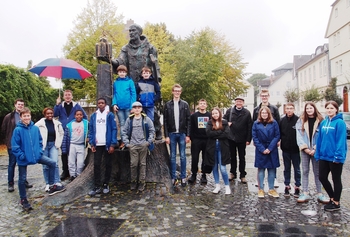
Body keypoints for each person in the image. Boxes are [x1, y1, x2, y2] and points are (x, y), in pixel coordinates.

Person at [107, 23, 162, 140]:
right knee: (134, 111)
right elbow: (120, 61)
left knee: (150, 108)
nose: (131, 33)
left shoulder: (150, 47)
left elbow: (156, 65)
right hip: (132, 83)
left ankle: (156, 130)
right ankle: (132, 136)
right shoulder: (125, 48)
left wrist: (157, 79)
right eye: (130, 31)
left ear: (139, 33)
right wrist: (110, 60)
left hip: (146, 81)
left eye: (133, 31)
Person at [11, 108, 63, 211]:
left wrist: (39, 152)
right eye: (24, 116)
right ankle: (23, 199)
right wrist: (21, 156)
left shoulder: (35, 128)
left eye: (28, 115)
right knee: (22, 179)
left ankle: (52, 185)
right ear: (21, 117)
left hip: (36, 155)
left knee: (52, 163)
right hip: (24, 158)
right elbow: (15, 146)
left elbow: (40, 141)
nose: (27, 118)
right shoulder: (18, 130)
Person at [315, 101, 347, 211]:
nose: (329, 110)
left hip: (335, 157)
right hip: (324, 156)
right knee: (322, 177)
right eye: (327, 108)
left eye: (331, 108)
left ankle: (336, 202)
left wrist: (338, 156)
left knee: (336, 179)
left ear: (336, 110)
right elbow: (319, 139)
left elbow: (341, 140)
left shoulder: (340, 123)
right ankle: (332, 197)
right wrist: (317, 153)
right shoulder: (324, 123)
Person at [295, 102, 328, 203]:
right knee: (305, 171)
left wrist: (315, 148)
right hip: (305, 150)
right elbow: (298, 135)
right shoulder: (301, 120)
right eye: (307, 108)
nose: (309, 110)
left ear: (314, 109)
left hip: (316, 151)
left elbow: (323, 136)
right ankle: (305, 192)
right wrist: (305, 148)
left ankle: (320, 193)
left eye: (311, 108)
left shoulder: (321, 120)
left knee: (317, 172)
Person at [122, 101, 155, 191]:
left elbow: (152, 130)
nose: (137, 109)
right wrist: (127, 143)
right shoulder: (129, 119)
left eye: (138, 107)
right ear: (132, 109)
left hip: (143, 145)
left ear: (141, 109)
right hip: (133, 145)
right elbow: (124, 131)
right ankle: (133, 181)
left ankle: (141, 182)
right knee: (133, 164)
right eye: (135, 107)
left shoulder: (146, 119)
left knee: (142, 164)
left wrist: (148, 142)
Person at [54, 90, 87, 180]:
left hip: (74, 133)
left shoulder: (76, 106)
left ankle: (76, 171)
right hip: (63, 132)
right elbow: (55, 114)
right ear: (63, 96)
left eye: (69, 95)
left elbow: (84, 116)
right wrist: (57, 104)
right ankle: (65, 171)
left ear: (72, 96)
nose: (67, 96)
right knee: (64, 152)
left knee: (74, 153)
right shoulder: (60, 106)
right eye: (66, 95)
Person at [1, 98, 32, 192]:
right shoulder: (9, 117)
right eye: (19, 104)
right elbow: (4, 129)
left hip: (23, 144)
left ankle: (24, 181)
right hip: (12, 145)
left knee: (23, 163)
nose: (20, 106)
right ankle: (10, 183)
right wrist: (8, 141)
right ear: (15, 105)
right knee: (12, 164)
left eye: (22, 104)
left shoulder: (26, 116)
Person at [88, 98, 117, 196]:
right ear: (97, 104)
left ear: (105, 104)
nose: (100, 104)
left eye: (102, 103)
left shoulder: (109, 115)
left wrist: (112, 144)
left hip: (107, 144)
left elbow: (114, 129)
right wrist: (92, 143)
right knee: (96, 164)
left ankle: (106, 184)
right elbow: (91, 130)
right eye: (99, 103)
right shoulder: (93, 116)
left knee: (108, 164)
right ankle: (97, 186)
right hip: (97, 144)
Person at [163, 84, 191, 187]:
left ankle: (183, 177)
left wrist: (188, 135)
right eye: (175, 91)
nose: (177, 92)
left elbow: (188, 120)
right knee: (173, 156)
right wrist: (166, 135)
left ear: (181, 92)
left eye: (179, 91)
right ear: (172, 92)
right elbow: (165, 121)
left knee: (183, 156)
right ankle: (173, 177)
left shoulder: (185, 104)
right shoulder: (167, 105)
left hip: (182, 133)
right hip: (172, 134)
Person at [253, 89, 280, 188]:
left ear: (268, 96)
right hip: (261, 140)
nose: (264, 97)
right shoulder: (256, 109)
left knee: (272, 164)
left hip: (272, 138)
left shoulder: (274, 108)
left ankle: (273, 181)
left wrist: (278, 140)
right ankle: (260, 183)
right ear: (260, 97)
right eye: (262, 96)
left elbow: (278, 124)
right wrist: (255, 141)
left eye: (266, 96)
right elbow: (254, 124)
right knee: (261, 165)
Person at [223, 97, 252, 184]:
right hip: (231, 137)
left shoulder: (247, 113)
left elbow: (249, 126)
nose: (239, 103)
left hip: (242, 138)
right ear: (235, 102)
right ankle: (232, 173)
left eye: (240, 102)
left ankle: (242, 175)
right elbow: (223, 120)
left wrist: (248, 139)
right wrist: (227, 123)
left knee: (242, 157)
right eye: (237, 101)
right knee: (232, 157)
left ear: (243, 103)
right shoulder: (230, 111)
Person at [35, 108, 65, 192]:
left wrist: (58, 142)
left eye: (51, 113)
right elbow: (35, 135)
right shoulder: (39, 124)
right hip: (43, 146)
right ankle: (48, 183)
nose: (50, 115)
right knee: (45, 165)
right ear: (44, 114)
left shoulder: (57, 123)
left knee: (54, 163)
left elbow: (61, 133)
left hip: (53, 145)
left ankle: (57, 182)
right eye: (48, 113)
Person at [205, 107, 231, 195]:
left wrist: (215, 134)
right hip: (212, 148)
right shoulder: (209, 123)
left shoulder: (224, 122)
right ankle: (217, 186)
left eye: (216, 113)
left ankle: (227, 186)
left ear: (219, 113)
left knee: (223, 168)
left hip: (222, 148)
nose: (215, 115)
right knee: (214, 167)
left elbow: (227, 134)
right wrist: (220, 132)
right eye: (213, 114)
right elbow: (208, 133)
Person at [279, 103, 301, 197]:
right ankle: (287, 185)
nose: (289, 110)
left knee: (297, 169)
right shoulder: (282, 120)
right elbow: (279, 134)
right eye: (287, 108)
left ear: (294, 109)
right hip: (286, 149)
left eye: (291, 108)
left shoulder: (298, 120)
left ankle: (297, 186)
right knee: (286, 168)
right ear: (285, 110)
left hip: (296, 149)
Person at [112, 65, 136, 148]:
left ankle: (130, 140)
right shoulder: (116, 82)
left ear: (126, 73)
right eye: (120, 72)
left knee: (129, 124)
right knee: (122, 124)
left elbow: (133, 94)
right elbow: (114, 94)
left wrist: (132, 106)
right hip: (119, 107)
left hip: (128, 107)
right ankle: (123, 141)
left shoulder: (130, 81)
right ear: (118, 73)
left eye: (123, 72)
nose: (122, 73)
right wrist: (114, 104)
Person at [62, 110, 89, 182]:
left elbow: (89, 132)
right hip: (72, 144)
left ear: (83, 116)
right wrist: (64, 148)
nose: (79, 116)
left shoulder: (86, 123)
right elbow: (65, 137)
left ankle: (79, 175)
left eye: (80, 114)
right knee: (71, 162)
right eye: (77, 115)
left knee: (80, 163)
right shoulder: (70, 125)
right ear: (75, 116)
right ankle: (72, 175)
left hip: (81, 145)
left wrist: (88, 138)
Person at [188, 99, 211, 184]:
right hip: (196, 140)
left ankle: (204, 175)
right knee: (194, 158)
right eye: (201, 103)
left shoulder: (210, 115)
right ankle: (193, 174)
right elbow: (191, 127)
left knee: (205, 159)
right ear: (198, 105)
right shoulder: (194, 116)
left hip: (207, 140)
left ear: (206, 105)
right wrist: (192, 138)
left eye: (204, 104)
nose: (202, 105)